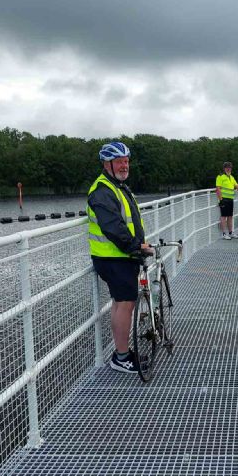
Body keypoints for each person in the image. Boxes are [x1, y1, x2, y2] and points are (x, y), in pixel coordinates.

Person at [87, 141, 153, 374]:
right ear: (107, 164)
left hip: (121, 255)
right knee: (125, 304)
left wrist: (136, 247)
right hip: (114, 257)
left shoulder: (118, 186)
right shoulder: (103, 190)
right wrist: (136, 247)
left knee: (121, 303)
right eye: (119, 162)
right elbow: (113, 227)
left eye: (126, 161)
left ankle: (121, 352)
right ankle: (121, 357)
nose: (125, 165)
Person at [215, 161, 238, 240]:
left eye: (230, 168)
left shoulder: (231, 177)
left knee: (230, 216)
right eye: (227, 167)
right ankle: (224, 234)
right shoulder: (220, 176)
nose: (228, 169)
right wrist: (220, 200)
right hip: (223, 199)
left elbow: (237, 187)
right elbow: (218, 189)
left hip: (230, 199)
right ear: (224, 168)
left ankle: (230, 232)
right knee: (223, 216)